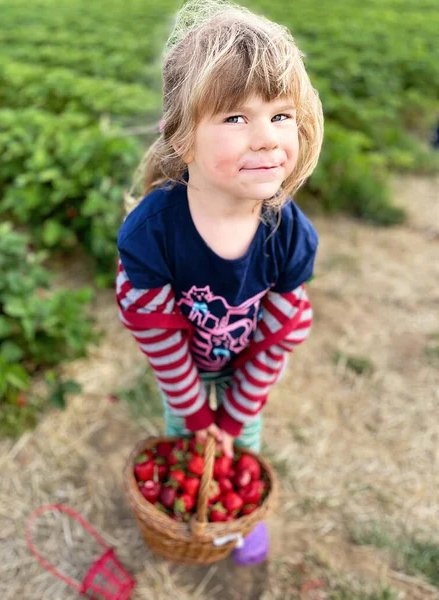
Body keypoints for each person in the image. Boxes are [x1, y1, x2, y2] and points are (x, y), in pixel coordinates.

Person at [116, 0, 323, 565]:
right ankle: (194, 518)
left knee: (243, 441)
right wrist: (202, 419)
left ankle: (235, 517)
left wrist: (229, 420)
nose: (265, 137)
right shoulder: (151, 235)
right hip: (181, 362)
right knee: (185, 435)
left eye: (281, 115)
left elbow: (279, 332)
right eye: (235, 118)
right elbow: (158, 337)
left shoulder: (286, 232)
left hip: (245, 360)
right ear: (182, 138)